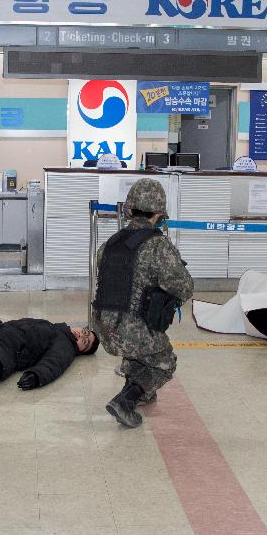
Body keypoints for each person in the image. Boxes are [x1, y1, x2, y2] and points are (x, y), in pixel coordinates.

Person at [92, 179, 194, 429]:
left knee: (137, 349)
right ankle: (127, 399)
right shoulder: (158, 245)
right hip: (134, 334)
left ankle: (141, 389)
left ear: (130, 209)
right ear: (159, 213)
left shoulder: (109, 244)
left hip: (104, 329)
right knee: (165, 361)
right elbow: (184, 287)